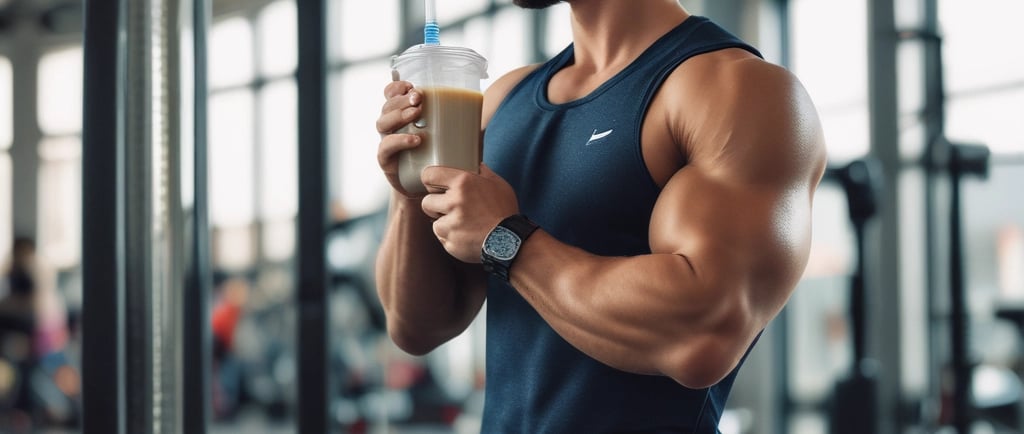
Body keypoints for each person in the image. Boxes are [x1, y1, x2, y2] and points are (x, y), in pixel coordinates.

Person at [374, 0, 827, 431]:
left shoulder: (735, 91)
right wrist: (411, 188)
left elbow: (703, 334)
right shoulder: (503, 99)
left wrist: (507, 240)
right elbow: (418, 327)